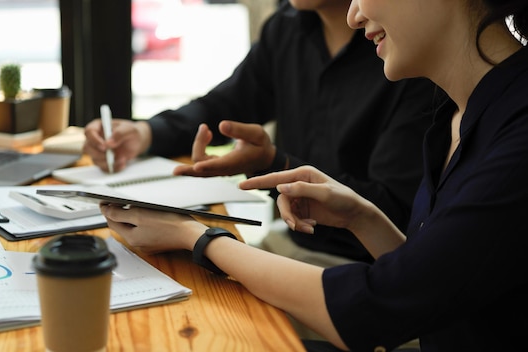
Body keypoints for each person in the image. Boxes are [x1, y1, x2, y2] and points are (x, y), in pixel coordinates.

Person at [99, 0, 528, 350]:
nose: (355, 14)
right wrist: (362, 217)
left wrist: (197, 238)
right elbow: (430, 281)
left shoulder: (514, 133)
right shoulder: (455, 117)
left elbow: (381, 305)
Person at [84, 0, 439, 266]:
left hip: (371, 266)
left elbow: (394, 212)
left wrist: (273, 162)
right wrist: (144, 133)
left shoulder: (406, 55)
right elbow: (225, 106)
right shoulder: (286, 28)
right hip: (288, 244)